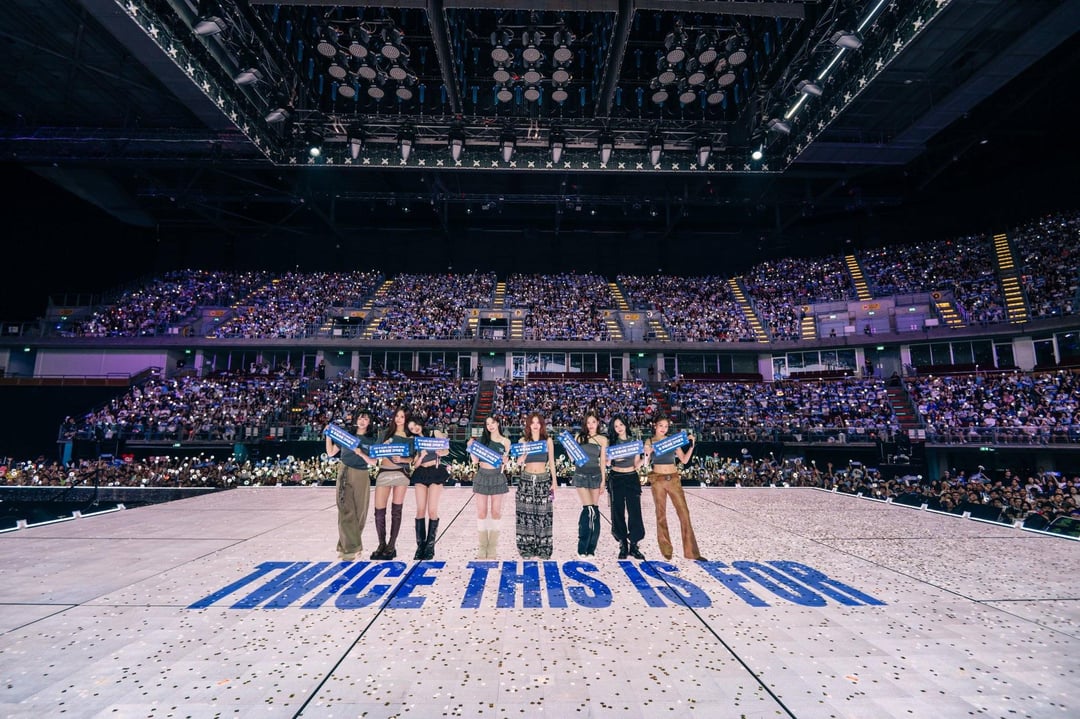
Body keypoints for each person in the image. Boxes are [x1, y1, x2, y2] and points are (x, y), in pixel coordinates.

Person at [643, 414, 706, 561]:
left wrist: (691, 446)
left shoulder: (672, 441)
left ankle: (692, 552)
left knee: (684, 513)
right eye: (661, 426)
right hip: (657, 479)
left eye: (666, 426)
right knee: (660, 514)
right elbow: (645, 463)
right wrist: (648, 453)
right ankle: (666, 550)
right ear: (655, 426)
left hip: (673, 478)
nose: (663, 429)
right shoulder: (650, 441)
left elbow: (684, 460)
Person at [324, 410, 376, 561]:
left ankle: (347, 546)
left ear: (369, 422)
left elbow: (373, 462)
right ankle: (350, 549)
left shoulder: (371, 440)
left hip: (362, 474)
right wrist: (328, 436)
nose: (362, 421)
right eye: (359, 418)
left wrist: (360, 453)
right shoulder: (346, 437)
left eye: (365, 419)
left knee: (360, 512)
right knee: (345, 510)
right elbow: (330, 452)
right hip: (345, 472)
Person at [371, 407, 414, 560]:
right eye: (397, 416)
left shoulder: (411, 438)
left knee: (396, 510)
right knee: (379, 511)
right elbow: (374, 453)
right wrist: (382, 446)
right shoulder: (384, 434)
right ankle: (381, 543)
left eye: (402, 416)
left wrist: (402, 459)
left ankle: (391, 545)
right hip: (384, 471)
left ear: (407, 419)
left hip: (401, 472)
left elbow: (412, 458)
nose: (399, 419)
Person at [515, 411, 558, 559]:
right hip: (526, 479)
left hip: (543, 479)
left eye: (538, 422)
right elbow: (518, 462)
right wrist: (523, 455)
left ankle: (543, 547)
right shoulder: (523, 441)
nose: (535, 425)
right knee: (525, 515)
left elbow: (551, 462)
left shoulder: (548, 441)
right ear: (528, 425)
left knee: (543, 514)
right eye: (532, 422)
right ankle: (526, 547)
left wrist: (554, 481)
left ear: (541, 425)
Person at [467, 415, 511, 559]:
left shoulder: (506, 441)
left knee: (496, 512)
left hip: (497, 477)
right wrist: (471, 448)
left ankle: (492, 547)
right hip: (482, 476)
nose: (490, 426)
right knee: (481, 513)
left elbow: (505, 461)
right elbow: (475, 461)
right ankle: (482, 546)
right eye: (487, 424)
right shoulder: (481, 441)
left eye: (492, 423)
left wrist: (506, 460)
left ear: (498, 423)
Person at [407, 414, 449, 560]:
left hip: (435, 471)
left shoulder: (434, 433)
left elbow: (446, 450)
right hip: (421, 472)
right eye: (411, 428)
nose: (414, 429)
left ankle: (430, 547)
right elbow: (414, 464)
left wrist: (441, 452)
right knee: (420, 509)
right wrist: (421, 456)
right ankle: (420, 546)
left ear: (419, 423)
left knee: (432, 510)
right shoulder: (414, 441)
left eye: (415, 425)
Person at [606, 413, 645, 560]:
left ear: (626, 425)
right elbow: (607, 463)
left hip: (631, 477)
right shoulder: (611, 443)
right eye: (616, 426)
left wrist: (646, 457)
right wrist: (608, 459)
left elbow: (636, 464)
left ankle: (634, 544)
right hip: (616, 477)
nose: (619, 428)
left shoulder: (634, 442)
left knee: (635, 511)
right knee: (617, 511)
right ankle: (622, 543)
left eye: (621, 424)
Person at [572, 410, 608, 558]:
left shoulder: (603, 439)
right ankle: (582, 546)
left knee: (594, 511)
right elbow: (573, 457)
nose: (591, 425)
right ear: (585, 424)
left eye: (593, 422)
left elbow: (603, 461)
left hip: (595, 476)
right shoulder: (579, 437)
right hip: (581, 475)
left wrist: (603, 480)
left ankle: (592, 548)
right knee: (588, 510)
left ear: (598, 423)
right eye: (588, 422)